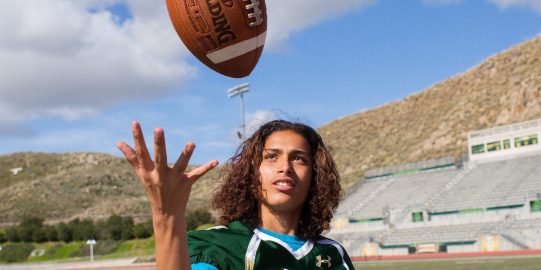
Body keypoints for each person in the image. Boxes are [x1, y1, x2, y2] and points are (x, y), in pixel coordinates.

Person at [117, 120, 354, 269]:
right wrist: (167, 215)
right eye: (271, 156)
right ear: (252, 173)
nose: (285, 167)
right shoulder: (219, 249)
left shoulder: (333, 255)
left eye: (299, 158)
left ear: (315, 176)